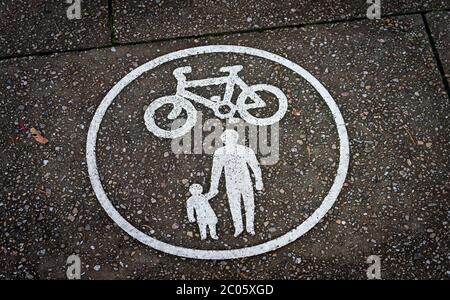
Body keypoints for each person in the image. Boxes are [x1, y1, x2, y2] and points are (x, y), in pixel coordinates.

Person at [209, 129, 263, 237]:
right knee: (234, 205)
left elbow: (255, 166)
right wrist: (213, 187)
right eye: (227, 138)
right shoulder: (220, 152)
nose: (230, 140)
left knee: (249, 204)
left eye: (232, 137)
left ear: (236, 139)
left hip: (245, 181)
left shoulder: (245, 150)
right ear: (223, 140)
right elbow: (216, 171)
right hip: (231, 183)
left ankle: (250, 227)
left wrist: (258, 180)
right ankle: (238, 227)